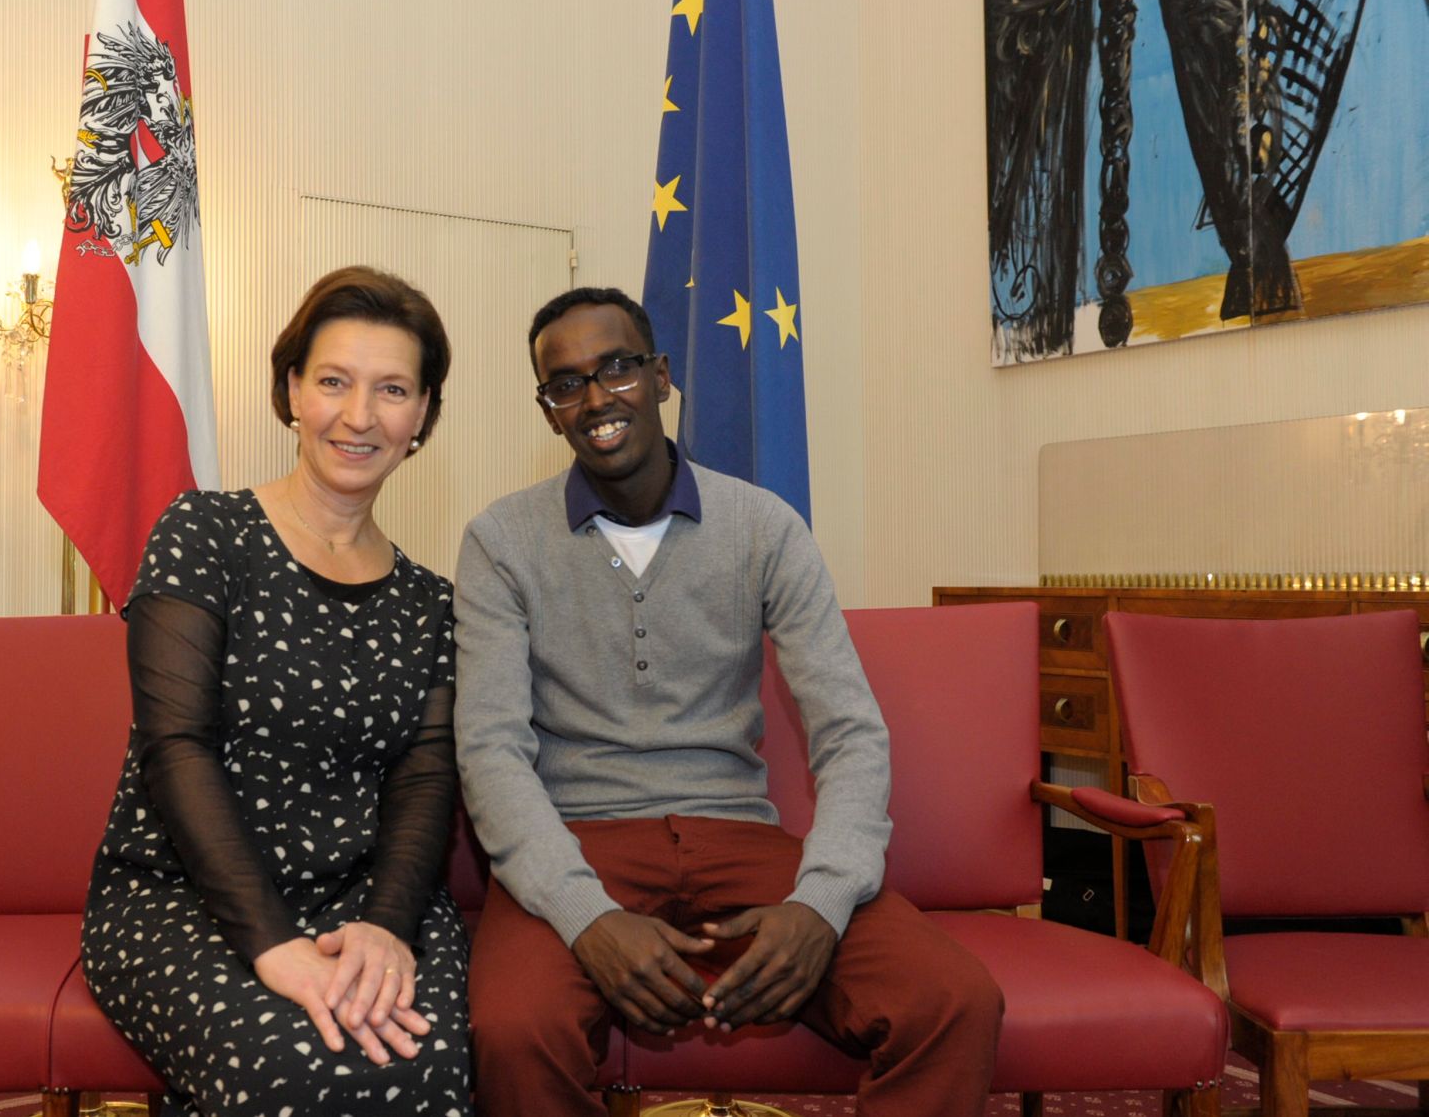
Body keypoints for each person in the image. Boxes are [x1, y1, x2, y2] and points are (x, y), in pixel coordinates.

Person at [453, 287, 1004, 1116]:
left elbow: (850, 734)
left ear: (662, 377)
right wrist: (585, 917)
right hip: (580, 838)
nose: (597, 398)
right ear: (548, 412)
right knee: (512, 1031)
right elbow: (490, 753)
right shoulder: (499, 542)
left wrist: (819, 903)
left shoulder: (764, 527)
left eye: (617, 368)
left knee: (952, 1000)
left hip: (736, 836)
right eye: (566, 384)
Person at [82, 267, 470, 1117]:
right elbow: (174, 747)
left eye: (393, 390)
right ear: (292, 389)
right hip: (183, 896)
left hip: (364, 900)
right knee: (301, 1070)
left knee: (429, 1062)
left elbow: (424, 776)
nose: (359, 416)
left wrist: (385, 927)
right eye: (333, 381)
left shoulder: (432, 601)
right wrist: (273, 945)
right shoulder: (203, 534)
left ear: (424, 417)